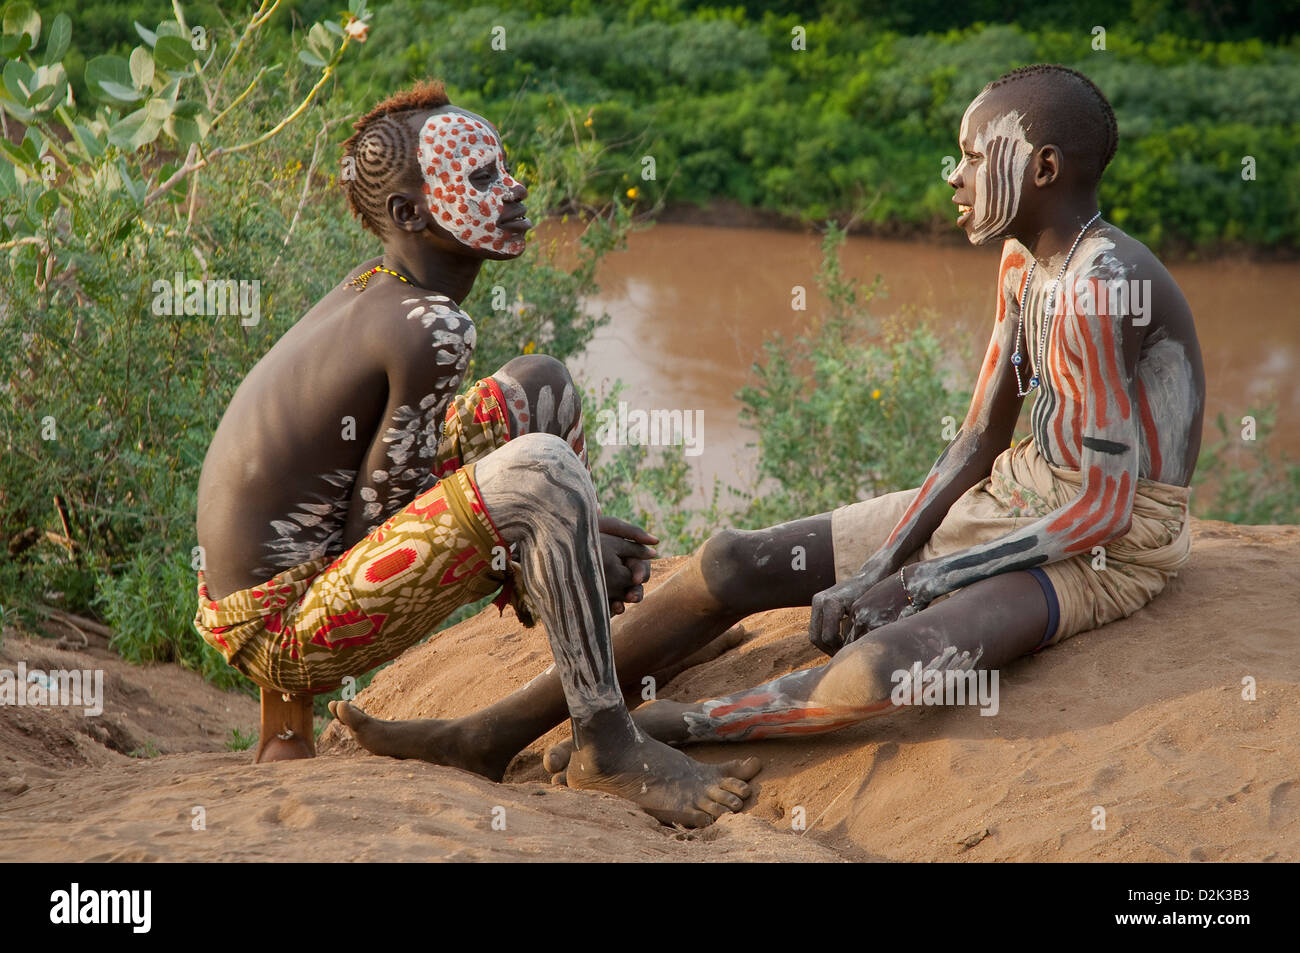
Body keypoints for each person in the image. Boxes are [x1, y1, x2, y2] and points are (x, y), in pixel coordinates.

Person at [339, 64, 1204, 775]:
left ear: (1044, 169)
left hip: (1105, 550)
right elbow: (979, 439)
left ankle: (686, 725)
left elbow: (1103, 508)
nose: (955, 173)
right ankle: (491, 731)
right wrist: (887, 562)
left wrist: (923, 582)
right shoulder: (1024, 263)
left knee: (886, 662)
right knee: (730, 559)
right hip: (1022, 496)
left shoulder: (1100, 287)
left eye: (975, 156)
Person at [192, 80, 759, 828]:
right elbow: (377, 532)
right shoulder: (428, 327)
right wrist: (537, 539)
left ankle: (560, 609)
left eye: (506, 168)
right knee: (544, 470)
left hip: (291, 584)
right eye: (483, 178)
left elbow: (369, 494)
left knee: (542, 388)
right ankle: (607, 741)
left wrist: (550, 544)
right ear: (409, 213)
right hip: (285, 629)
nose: (515, 188)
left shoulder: (385, 292)